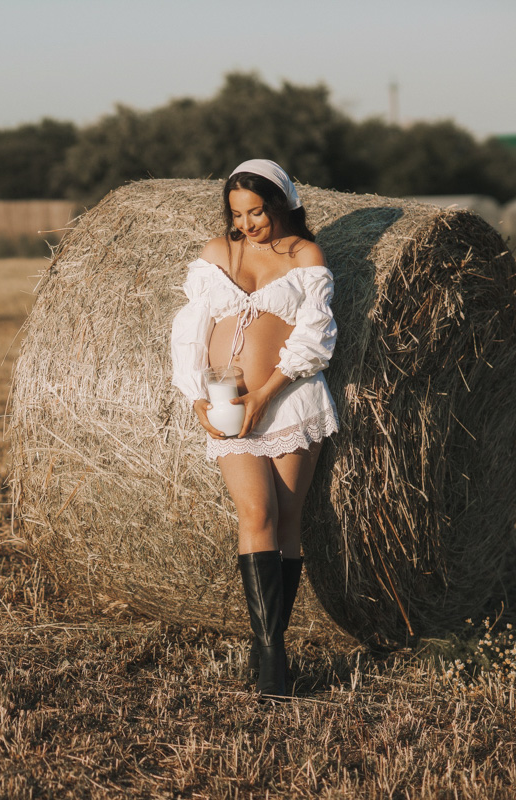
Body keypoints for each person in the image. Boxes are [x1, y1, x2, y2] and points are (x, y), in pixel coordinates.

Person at [169, 159, 338, 698]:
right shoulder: (217, 254)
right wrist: (196, 395)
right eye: (238, 214)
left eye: (257, 212)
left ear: (282, 203)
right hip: (226, 405)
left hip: (290, 400)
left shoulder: (305, 257)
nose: (247, 224)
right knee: (257, 513)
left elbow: (314, 336)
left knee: (288, 520)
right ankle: (270, 655)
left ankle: (271, 649)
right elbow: (191, 330)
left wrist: (265, 395)